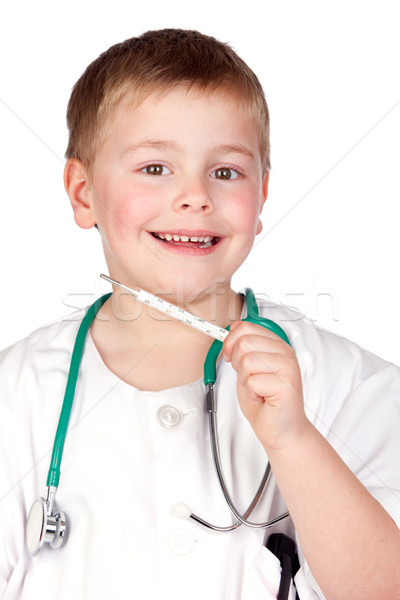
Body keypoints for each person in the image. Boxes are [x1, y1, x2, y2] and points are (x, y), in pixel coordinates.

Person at [0, 28, 399, 600]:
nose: (196, 196)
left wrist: (294, 442)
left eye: (227, 171)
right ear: (83, 193)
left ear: (261, 196)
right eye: (155, 168)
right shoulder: (16, 397)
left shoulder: (348, 384)